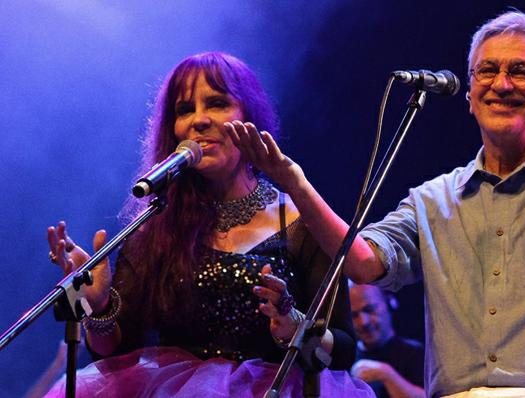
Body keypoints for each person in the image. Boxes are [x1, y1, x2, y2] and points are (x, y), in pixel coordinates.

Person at [226, 10, 525, 398]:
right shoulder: (433, 199)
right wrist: (296, 185)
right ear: (469, 96)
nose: (501, 84)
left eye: (521, 71)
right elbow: (362, 263)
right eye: (487, 70)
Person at [44, 52, 372, 397]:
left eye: (216, 103)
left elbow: (344, 349)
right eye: (184, 109)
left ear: (250, 117)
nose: (198, 121)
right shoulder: (157, 224)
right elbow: (114, 351)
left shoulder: (301, 222)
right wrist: (100, 308)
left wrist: (296, 328)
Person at [349, 283, 425, 398]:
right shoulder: (345, 357)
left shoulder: (416, 353)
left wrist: (387, 374)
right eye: (354, 315)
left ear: (390, 303)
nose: (363, 322)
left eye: (369, 309)